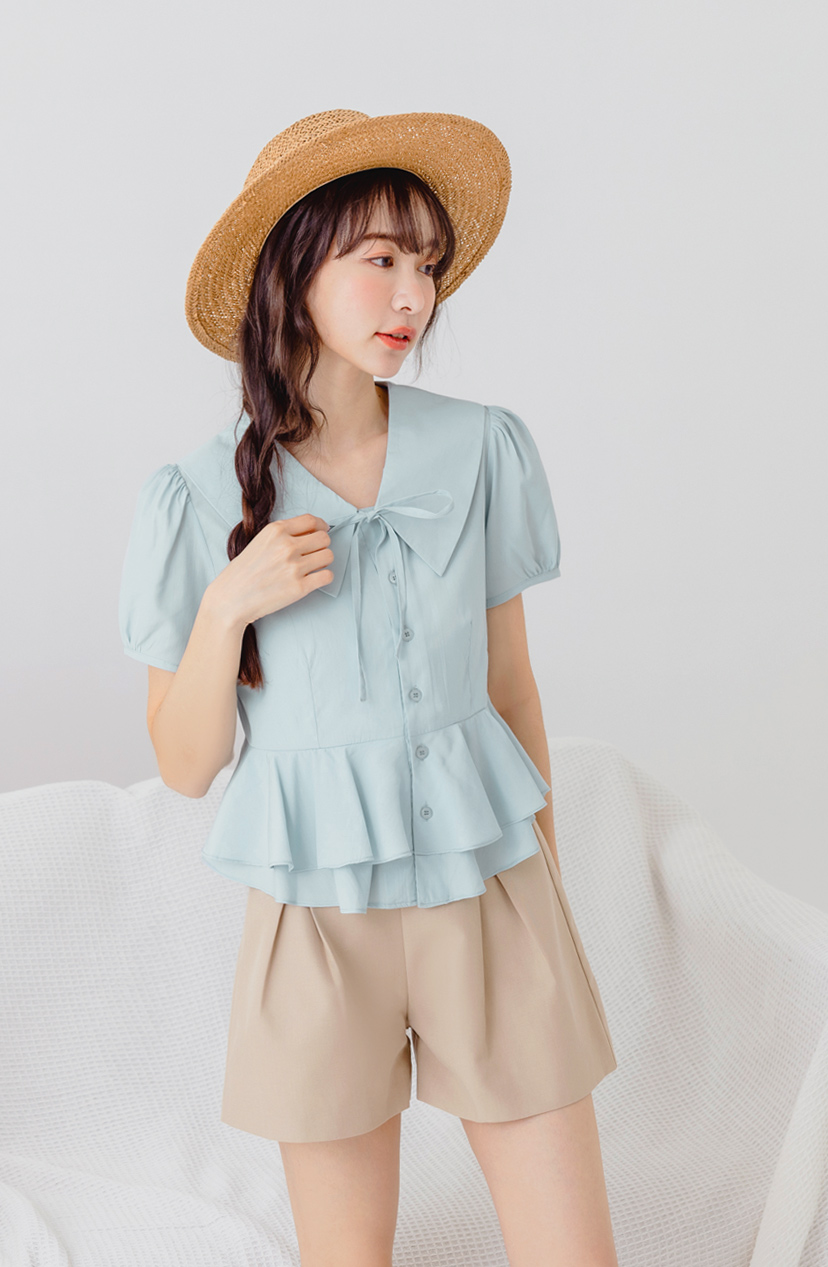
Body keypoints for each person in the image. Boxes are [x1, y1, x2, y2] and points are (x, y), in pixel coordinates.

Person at [118, 108, 619, 1267]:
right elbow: (185, 765)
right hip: (315, 912)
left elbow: (511, 688)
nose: (413, 296)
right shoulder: (195, 497)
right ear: (291, 271)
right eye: (379, 258)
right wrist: (226, 607)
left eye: (426, 264)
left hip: (489, 890)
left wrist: (548, 887)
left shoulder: (482, 447)